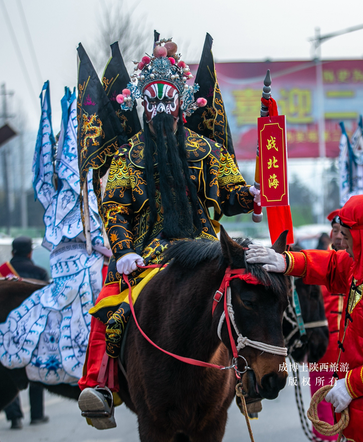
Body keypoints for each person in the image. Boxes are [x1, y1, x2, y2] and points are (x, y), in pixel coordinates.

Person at [77, 38, 260, 429]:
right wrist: (123, 249)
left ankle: (249, 378)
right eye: (152, 100)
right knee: (110, 311)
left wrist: (249, 195)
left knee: (252, 291)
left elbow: (230, 189)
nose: (161, 107)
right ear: (142, 104)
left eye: (167, 98)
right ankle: (102, 386)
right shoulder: (128, 154)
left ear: (181, 101)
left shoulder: (207, 149)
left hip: (206, 250)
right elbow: (114, 207)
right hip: (148, 255)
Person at [247, 194, 363, 442]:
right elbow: (331, 264)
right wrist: (287, 261)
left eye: (347, 238)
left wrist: (351, 385)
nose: (343, 245)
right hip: (361, 408)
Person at [0, 236, 50, 429]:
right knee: (33, 371)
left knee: (6, 371)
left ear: (12, 252)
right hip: (31, 328)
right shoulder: (40, 272)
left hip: (4, 327)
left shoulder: (0, 272)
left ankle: (15, 416)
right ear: (30, 252)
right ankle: (37, 414)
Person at [308, 210, 346, 441]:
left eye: (343, 231)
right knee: (322, 399)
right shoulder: (319, 263)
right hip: (324, 345)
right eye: (335, 230)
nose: (339, 236)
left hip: (355, 346)